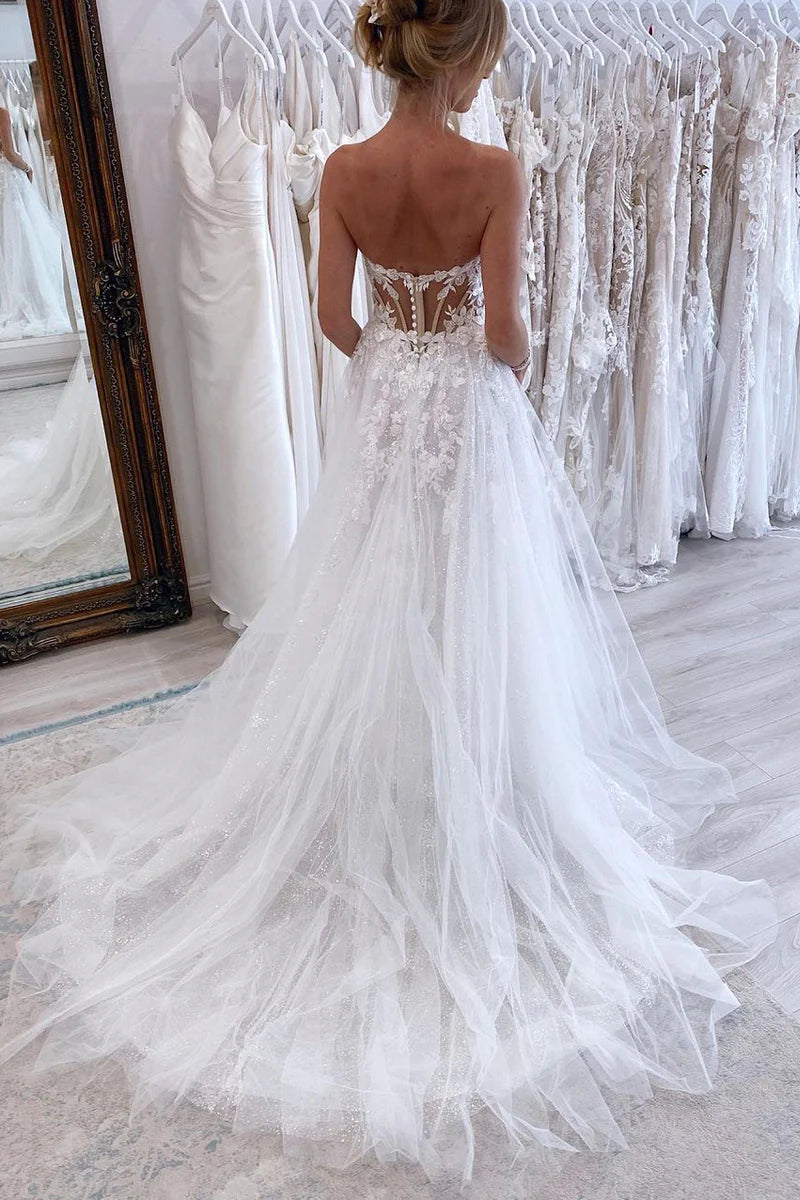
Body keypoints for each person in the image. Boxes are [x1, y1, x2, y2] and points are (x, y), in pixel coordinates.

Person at [0, 0, 778, 1187]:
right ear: (469, 55)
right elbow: (508, 332)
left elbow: (330, 318)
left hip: (386, 409)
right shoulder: (494, 171)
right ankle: (477, 774)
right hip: (468, 410)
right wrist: (470, 366)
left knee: (371, 589)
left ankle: (381, 764)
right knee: (477, 597)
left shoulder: (344, 169)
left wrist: (398, 370)